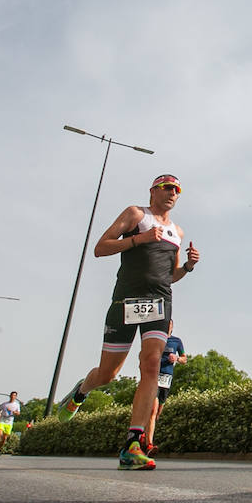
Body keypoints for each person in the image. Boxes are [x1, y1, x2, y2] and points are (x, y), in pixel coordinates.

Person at [56, 173, 201, 471]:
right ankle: (82, 390)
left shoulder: (177, 232)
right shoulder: (136, 214)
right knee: (108, 374)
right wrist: (138, 239)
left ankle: (133, 443)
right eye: (167, 187)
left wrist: (187, 266)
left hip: (160, 303)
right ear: (153, 191)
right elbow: (101, 248)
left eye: (177, 189)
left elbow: (171, 275)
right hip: (126, 301)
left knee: (150, 364)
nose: (172, 193)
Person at [144, 325, 186, 456]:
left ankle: (144, 436)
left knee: (157, 414)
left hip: (166, 380)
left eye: (170, 324)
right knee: (153, 410)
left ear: (172, 326)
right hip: (154, 377)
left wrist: (177, 359)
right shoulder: (156, 339)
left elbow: (185, 358)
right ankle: (149, 444)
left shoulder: (176, 341)